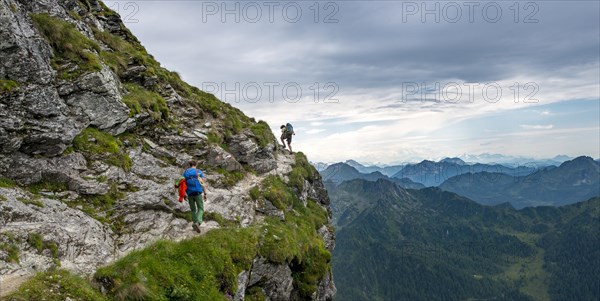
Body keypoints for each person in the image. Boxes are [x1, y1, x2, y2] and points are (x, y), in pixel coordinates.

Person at [182, 161, 207, 233]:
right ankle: (198, 222)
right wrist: (205, 193)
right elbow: (202, 183)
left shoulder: (185, 173)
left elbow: (182, 184)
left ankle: (194, 225)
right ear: (195, 165)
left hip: (189, 193)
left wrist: (184, 194)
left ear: (189, 165)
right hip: (198, 192)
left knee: (193, 210)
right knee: (200, 208)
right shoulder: (198, 172)